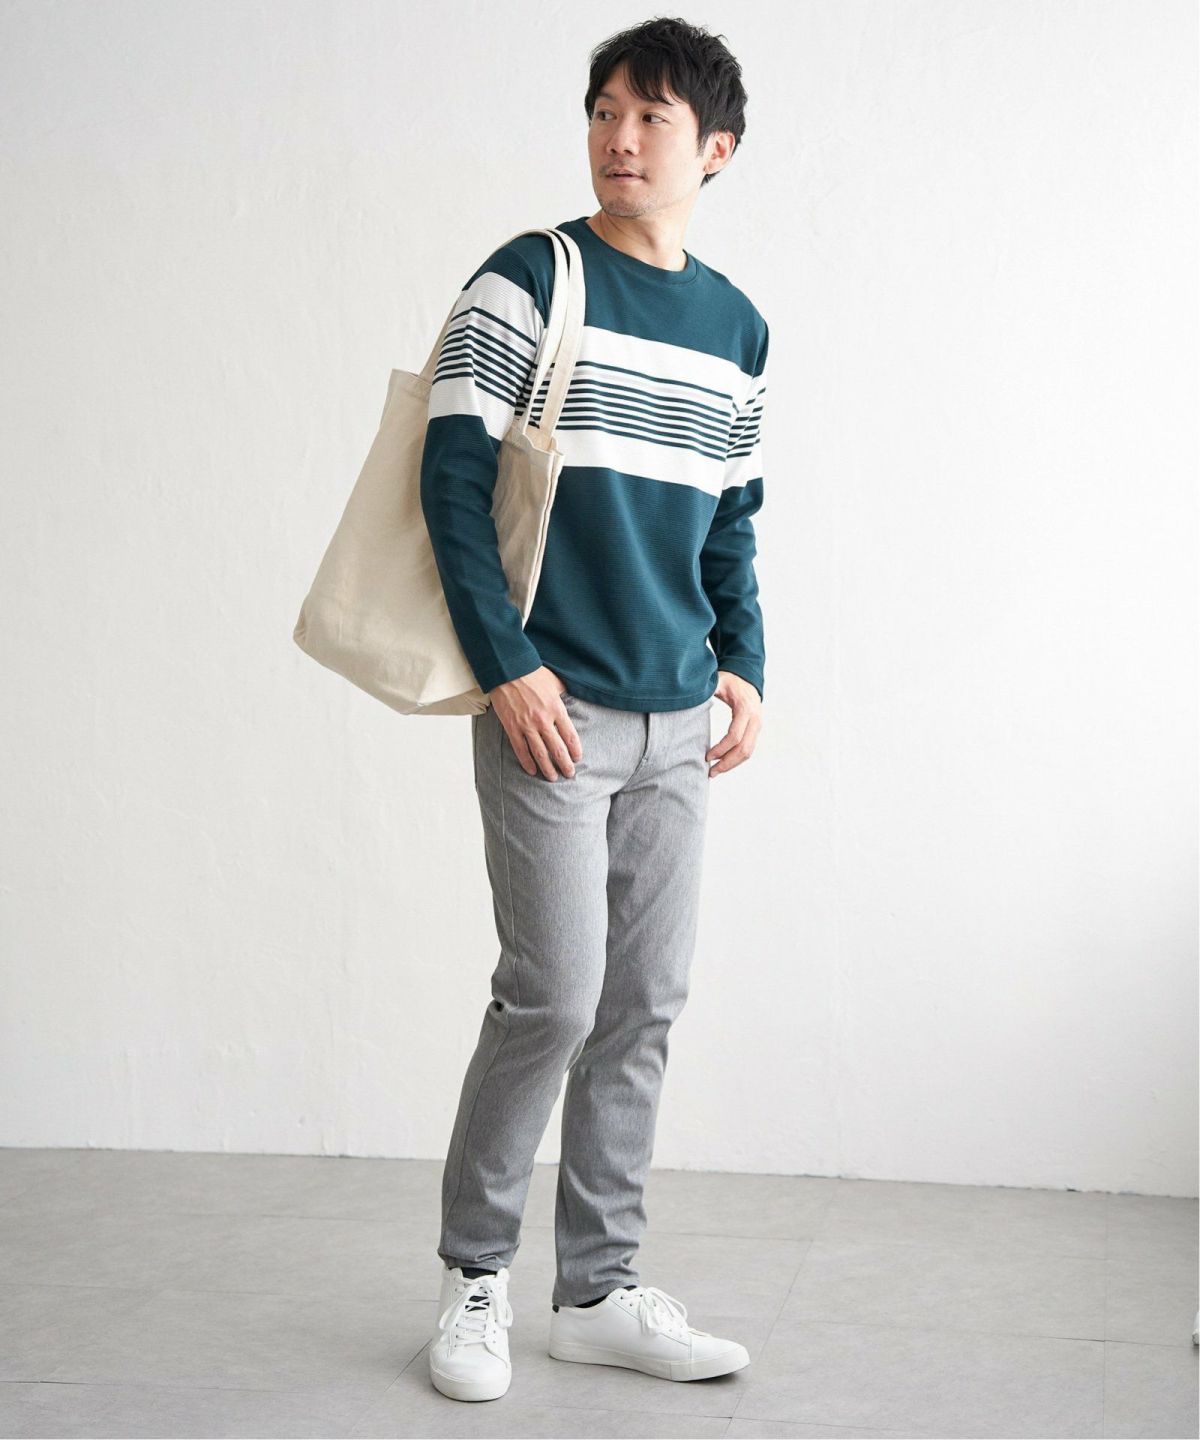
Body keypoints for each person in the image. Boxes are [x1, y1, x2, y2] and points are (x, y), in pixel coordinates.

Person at [418, 17, 768, 1403]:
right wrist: (507, 667)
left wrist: (746, 663)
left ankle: (598, 1291)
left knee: (642, 1009)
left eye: (652, 118)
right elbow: (451, 483)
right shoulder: (528, 277)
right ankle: (476, 1279)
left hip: (677, 721)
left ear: (714, 150)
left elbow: (731, 520)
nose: (619, 139)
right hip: (550, 711)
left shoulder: (737, 326)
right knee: (552, 998)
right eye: (604, 110)